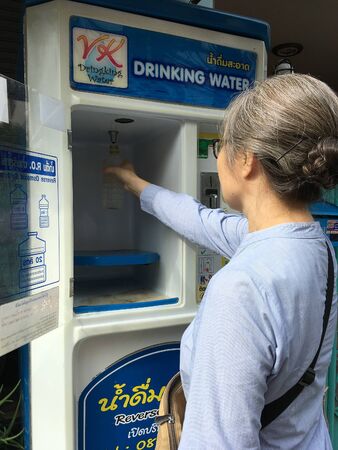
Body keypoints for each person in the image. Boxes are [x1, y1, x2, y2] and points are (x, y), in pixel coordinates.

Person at [105, 74, 338, 449]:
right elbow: (202, 220)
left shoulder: (240, 289)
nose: (217, 156)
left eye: (220, 145)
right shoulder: (315, 247)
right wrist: (134, 183)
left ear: (246, 160)